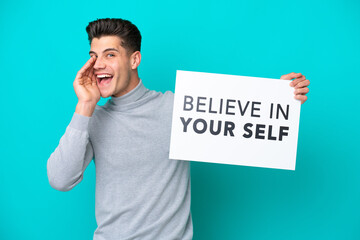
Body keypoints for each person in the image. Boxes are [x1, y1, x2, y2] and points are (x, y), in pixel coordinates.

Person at [47, 18, 310, 240]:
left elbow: (241, 116)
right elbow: (60, 179)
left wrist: (279, 95)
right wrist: (85, 105)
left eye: (110, 55)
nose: (99, 64)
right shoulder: (91, 119)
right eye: (94, 56)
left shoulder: (178, 108)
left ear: (134, 59)